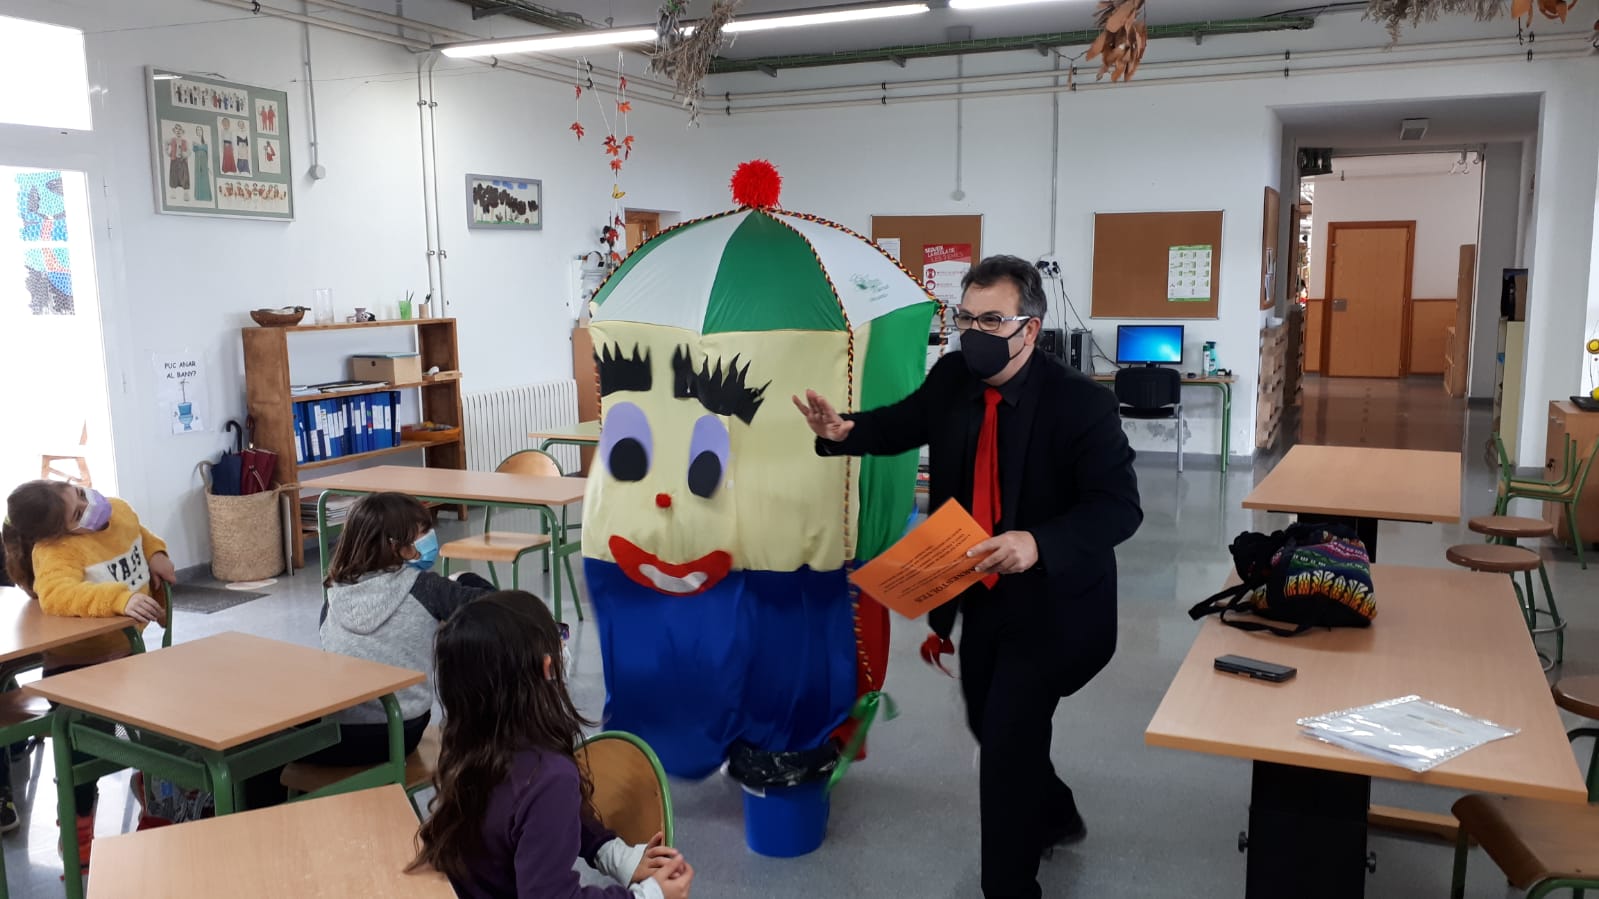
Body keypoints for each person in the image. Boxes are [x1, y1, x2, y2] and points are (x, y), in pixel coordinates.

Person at [793, 255, 1142, 899]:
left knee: (1005, 745)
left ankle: (1009, 888)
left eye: (991, 320)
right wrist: (844, 431)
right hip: (981, 594)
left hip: (1057, 606)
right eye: (965, 318)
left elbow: (1119, 507)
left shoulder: (1081, 404)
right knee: (989, 720)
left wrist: (1038, 542)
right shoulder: (955, 377)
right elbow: (903, 421)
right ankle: (1055, 813)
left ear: (1030, 329)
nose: (973, 333)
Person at [411, 592, 693, 899]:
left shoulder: (472, 743)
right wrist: (647, 895)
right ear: (547, 668)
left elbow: (537, 817)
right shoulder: (549, 777)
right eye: (558, 635)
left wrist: (610, 851)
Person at [2, 480, 175, 867]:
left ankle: (153, 795)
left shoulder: (118, 509)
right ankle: (78, 828)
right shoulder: (54, 552)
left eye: (80, 493)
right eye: (77, 514)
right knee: (81, 756)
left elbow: (137, 532)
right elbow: (59, 595)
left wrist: (156, 553)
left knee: (157, 733)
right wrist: (120, 599)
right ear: (57, 533)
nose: (89, 504)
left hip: (128, 655)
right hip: (75, 669)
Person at [314, 492, 494, 767]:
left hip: (339, 733)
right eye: (422, 532)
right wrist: (464, 580)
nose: (430, 537)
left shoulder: (333, 595)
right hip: (402, 731)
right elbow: (499, 608)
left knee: (260, 750)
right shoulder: (425, 587)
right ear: (396, 545)